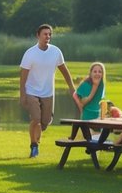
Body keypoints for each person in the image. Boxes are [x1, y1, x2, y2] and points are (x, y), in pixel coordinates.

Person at [19, 24, 78, 158]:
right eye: (45, 34)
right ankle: (34, 146)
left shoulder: (56, 52)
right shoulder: (30, 53)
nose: (48, 36)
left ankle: (37, 140)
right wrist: (22, 95)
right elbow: (23, 76)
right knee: (36, 118)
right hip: (31, 91)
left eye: (49, 34)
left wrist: (71, 86)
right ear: (38, 35)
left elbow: (64, 70)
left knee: (45, 122)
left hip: (47, 92)